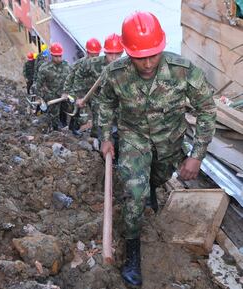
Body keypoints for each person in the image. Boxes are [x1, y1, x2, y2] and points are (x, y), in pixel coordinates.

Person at [96, 11, 216, 286]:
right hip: (134, 139)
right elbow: (105, 104)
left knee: (157, 179)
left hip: (170, 142)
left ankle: (151, 186)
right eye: (140, 57)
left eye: (153, 55)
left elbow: (207, 109)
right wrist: (105, 136)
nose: (148, 63)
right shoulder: (115, 74)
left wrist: (196, 156)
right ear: (128, 52)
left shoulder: (182, 70)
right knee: (134, 195)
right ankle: (133, 251)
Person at [73, 33, 124, 139]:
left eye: (117, 54)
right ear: (105, 52)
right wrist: (80, 96)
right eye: (110, 54)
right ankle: (97, 146)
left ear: (122, 52)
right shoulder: (93, 63)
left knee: (120, 129)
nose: (114, 58)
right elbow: (79, 75)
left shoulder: (126, 65)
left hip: (118, 101)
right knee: (98, 126)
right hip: (98, 100)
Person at [63, 38, 102, 136]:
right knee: (79, 114)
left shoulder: (101, 64)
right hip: (80, 93)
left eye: (96, 55)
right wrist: (66, 91)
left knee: (97, 113)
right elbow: (70, 78)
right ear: (87, 52)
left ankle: (95, 135)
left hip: (94, 93)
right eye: (92, 55)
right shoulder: (78, 64)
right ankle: (74, 127)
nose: (94, 57)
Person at [35, 42, 70, 130]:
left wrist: (67, 92)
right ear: (52, 55)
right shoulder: (44, 68)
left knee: (65, 113)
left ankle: (65, 127)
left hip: (64, 95)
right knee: (53, 116)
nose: (58, 58)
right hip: (52, 97)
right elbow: (38, 84)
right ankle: (54, 131)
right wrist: (39, 97)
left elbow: (71, 80)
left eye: (60, 56)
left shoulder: (66, 65)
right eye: (56, 56)